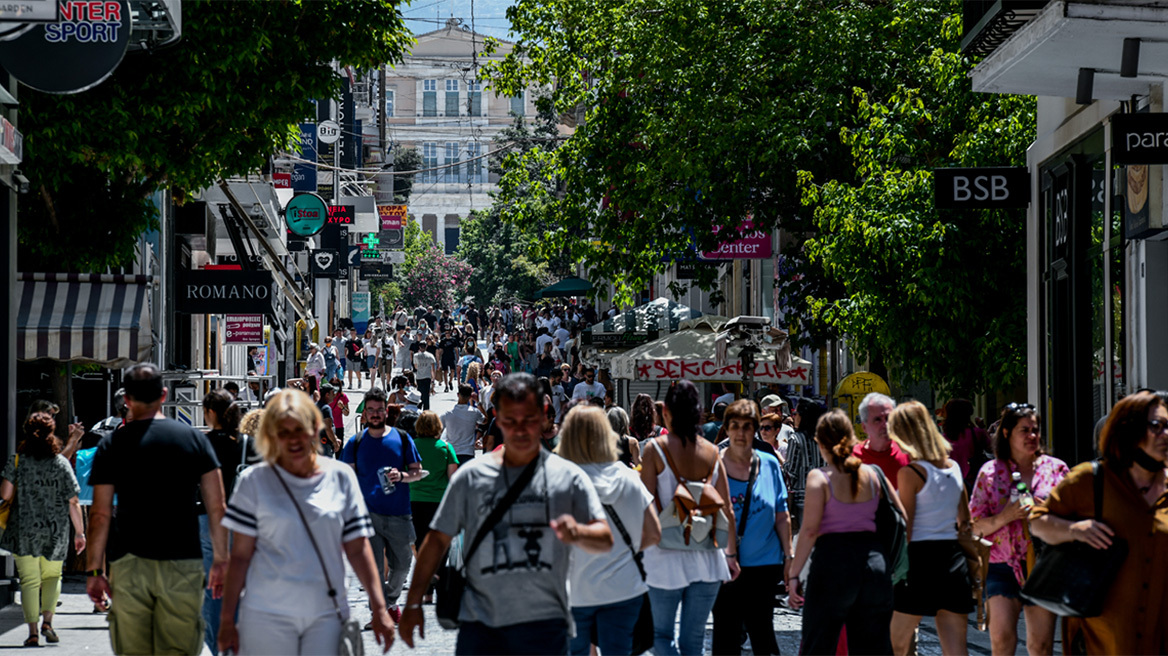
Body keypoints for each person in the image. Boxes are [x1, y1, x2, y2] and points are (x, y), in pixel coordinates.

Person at [399, 373, 612, 654]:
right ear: (497, 419)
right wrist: (413, 601)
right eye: (511, 420)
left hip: (545, 624)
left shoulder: (567, 477)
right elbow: (437, 540)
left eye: (529, 419)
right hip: (482, 624)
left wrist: (578, 532)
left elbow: (604, 537)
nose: (521, 430)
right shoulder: (472, 477)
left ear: (545, 416)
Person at [217, 389, 395, 655]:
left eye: (299, 429)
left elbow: (358, 548)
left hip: (325, 614)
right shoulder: (253, 481)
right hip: (265, 615)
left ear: (315, 430)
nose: (293, 440)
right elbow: (240, 556)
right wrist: (227, 618)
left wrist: (379, 608)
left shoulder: (341, 477)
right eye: (283, 432)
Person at [86, 362, 230, 655]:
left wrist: (94, 570)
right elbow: (217, 506)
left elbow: (100, 514)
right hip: (183, 563)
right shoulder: (193, 439)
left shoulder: (112, 446)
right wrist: (221, 560)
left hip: (129, 565)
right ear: (164, 394)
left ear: (126, 400)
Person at [1031, 390, 1168, 654]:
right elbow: (1037, 522)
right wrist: (1074, 530)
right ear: (1128, 430)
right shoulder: (1091, 480)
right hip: (1104, 641)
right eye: (1156, 426)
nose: (1165, 434)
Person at [786, 409, 903, 654]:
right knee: (874, 647)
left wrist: (794, 574)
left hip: (833, 563)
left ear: (820, 442)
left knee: (819, 642)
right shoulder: (873, 474)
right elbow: (902, 517)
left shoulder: (819, 478)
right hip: (874, 563)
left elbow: (809, 531)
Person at [640, 380, 739, 656]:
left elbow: (644, 503)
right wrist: (731, 556)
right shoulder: (712, 452)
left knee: (661, 635)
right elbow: (727, 509)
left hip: (663, 554)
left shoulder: (655, 450)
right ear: (698, 412)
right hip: (707, 556)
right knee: (693, 642)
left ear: (666, 411)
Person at [556, 405, 660, 656]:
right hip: (623, 587)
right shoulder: (627, 477)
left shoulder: (557, 480)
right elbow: (654, 533)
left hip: (573, 590)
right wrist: (624, 550)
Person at [969, 403, 1067, 656]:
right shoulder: (990, 473)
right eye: (1024, 430)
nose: (1032, 436)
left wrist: (1047, 510)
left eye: (1035, 430)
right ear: (1006, 433)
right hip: (1001, 566)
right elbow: (975, 528)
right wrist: (1006, 516)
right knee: (1001, 640)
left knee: (1040, 645)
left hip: (1044, 564)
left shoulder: (1055, 469)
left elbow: (1072, 516)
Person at [887, 401, 973, 656]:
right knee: (956, 648)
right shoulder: (954, 468)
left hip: (919, 561)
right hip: (954, 560)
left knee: (896, 643)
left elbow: (907, 528)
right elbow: (965, 521)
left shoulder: (910, 473)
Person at [711, 400, 791, 656]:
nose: (741, 433)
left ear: (755, 429)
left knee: (763, 634)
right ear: (726, 429)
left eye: (747, 427)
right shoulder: (714, 466)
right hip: (724, 565)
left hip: (764, 564)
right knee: (726, 636)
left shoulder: (769, 464)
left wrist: (789, 558)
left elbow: (781, 514)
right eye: (735, 426)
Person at [338, 386, 424, 623]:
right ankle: (379, 613)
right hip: (367, 515)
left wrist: (402, 476)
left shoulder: (403, 438)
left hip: (400, 512)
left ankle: (389, 602)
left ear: (386, 411)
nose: (375, 414)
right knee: (374, 570)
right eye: (370, 410)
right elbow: (347, 478)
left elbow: (416, 472)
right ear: (364, 414)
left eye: (379, 410)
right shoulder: (355, 443)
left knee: (404, 565)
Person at [0, 412, 85, 647]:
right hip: (55, 529)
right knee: (52, 576)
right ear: (51, 432)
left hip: (23, 528)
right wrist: (80, 533)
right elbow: (73, 501)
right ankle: (48, 621)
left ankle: (33, 632)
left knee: (28, 581)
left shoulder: (18, 460)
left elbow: (5, 494)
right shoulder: (60, 463)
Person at [199, 390, 259, 654]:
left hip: (207, 522)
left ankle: (219, 648)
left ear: (211, 413)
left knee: (213, 587)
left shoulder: (201, 444)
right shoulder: (249, 445)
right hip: (244, 522)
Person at [408, 410, 458, 557]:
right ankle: (435, 570)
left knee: (418, 540)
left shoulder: (410, 446)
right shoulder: (446, 448)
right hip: (439, 502)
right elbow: (453, 478)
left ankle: (424, 570)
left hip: (414, 500)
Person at [783, 398, 827, 533]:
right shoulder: (824, 438)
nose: (793, 416)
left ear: (802, 416)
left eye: (795, 413)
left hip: (802, 499)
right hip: (824, 495)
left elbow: (791, 472)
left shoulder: (795, 439)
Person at [852, 392, 909, 487]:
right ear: (864, 427)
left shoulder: (908, 454)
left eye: (888, 418)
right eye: (877, 420)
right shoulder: (852, 458)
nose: (885, 425)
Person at [941, 398, 991, 489]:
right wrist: (982, 427)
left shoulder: (943, 438)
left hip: (951, 483)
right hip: (974, 482)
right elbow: (991, 449)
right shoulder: (977, 433)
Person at [442, 383, 485, 465]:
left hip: (452, 452)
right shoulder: (475, 412)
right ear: (470, 397)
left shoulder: (447, 413)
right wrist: (478, 402)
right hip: (468, 452)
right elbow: (485, 420)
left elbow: (438, 432)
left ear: (458, 395)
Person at [316, 383, 340, 457]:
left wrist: (335, 438)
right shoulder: (326, 408)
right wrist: (335, 443)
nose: (334, 395)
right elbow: (328, 429)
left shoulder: (316, 405)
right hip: (325, 445)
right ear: (327, 394)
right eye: (333, 393)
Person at [412, 342, 437, 411]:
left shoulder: (416, 355)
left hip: (419, 377)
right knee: (426, 394)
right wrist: (433, 378)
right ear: (426, 347)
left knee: (420, 393)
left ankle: (419, 408)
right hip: (427, 377)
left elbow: (416, 366)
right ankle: (426, 409)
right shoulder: (430, 356)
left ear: (419, 347)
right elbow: (433, 369)